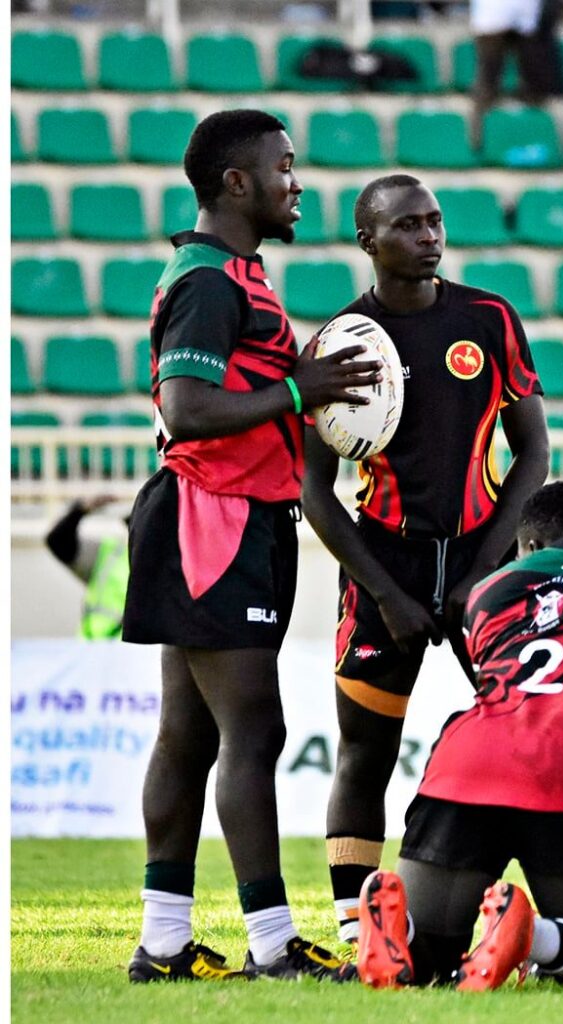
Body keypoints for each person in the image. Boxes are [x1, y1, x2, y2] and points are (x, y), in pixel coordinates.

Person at [124, 109, 379, 982]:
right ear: (237, 182)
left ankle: (161, 944)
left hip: (231, 518)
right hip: (212, 522)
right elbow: (186, 409)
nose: (295, 182)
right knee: (252, 731)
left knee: (189, 736)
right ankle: (273, 944)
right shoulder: (207, 282)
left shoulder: (236, 273)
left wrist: (300, 390)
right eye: (284, 167)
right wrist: (299, 387)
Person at [302, 174, 549, 947]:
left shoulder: (489, 317)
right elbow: (314, 490)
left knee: (526, 736)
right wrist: (386, 593)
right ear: (367, 240)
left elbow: (534, 454)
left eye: (435, 222)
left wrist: (479, 572)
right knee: (365, 751)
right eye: (408, 226)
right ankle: (355, 932)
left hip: (487, 562)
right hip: (385, 568)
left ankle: (558, 912)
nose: (429, 236)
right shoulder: (338, 343)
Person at [351, 482, 563, 990]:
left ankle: (401, 931)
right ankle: (535, 937)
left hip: (466, 766)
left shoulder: (486, 594)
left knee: (427, 959)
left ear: (532, 546)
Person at [469, 0, 563, 151]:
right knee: (486, 86)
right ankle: (477, 144)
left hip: (526, 17)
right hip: (491, 17)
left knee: (534, 88)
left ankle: (535, 142)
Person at [45, 495, 129, 639]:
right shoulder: (111, 552)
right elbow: (58, 541)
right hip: (92, 647)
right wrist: (80, 510)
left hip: (135, 654)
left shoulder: (164, 559)